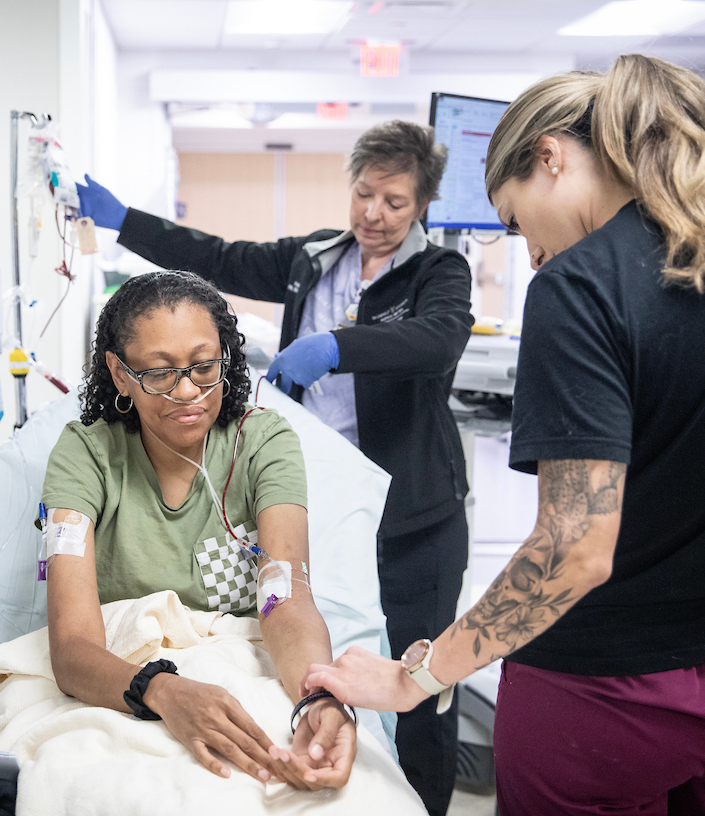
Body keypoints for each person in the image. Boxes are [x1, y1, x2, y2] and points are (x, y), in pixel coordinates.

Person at [303, 54, 705, 815]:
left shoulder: (582, 284)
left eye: (517, 222)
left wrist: (414, 675)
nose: (532, 252)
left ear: (550, 156)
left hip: (608, 698)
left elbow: (573, 551)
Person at [77, 121, 474, 816]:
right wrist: (125, 221)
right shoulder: (315, 257)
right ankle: (330, 727)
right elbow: (220, 258)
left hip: (413, 515)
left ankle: (423, 803)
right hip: (322, 492)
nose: (374, 215)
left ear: (423, 207)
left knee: (421, 682)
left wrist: (337, 347)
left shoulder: (439, 273)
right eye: (364, 195)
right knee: (331, 645)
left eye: (395, 203)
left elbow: (436, 340)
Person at [41, 271, 357, 792]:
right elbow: (72, 648)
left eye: (204, 366)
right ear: (120, 375)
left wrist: (318, 696)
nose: (188, 391)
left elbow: (287, 602)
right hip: (127, 683)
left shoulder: (262, 444)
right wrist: (164, 691)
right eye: (160, 373)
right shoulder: (87, 456)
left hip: (247, 668)